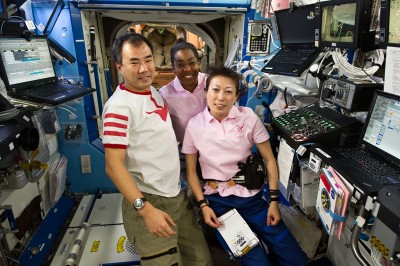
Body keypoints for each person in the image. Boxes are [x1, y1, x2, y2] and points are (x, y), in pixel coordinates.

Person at [102, 32, 212, 266]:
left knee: (201, 260)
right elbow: (113, 166)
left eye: (148, 59)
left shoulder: (153, 92)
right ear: (120, 67)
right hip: (149, 200)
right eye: (134, 62)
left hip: (176, 197)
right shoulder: (118, 108)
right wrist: (145, 209)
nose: (144, 68)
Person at [182, 66, 308, 266]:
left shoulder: (248, 117)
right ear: (205, 92)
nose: (221, 97)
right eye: (215, 90)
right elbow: (190, 171)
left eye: (228, 91)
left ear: (236, 96)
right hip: (218, 202)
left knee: (294, 258)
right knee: (257, 262)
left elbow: (269, 160)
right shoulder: (194, 126)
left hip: (253, 198)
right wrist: (203, 205)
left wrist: (274, 201)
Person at [159, 39, 207, 144]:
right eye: (180, 65)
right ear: (173, 68)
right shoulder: (165, 95)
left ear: (198, 63)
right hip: (186, 149)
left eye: (192, 62)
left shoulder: (211, 83)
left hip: (215, 145)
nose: (187, 68)